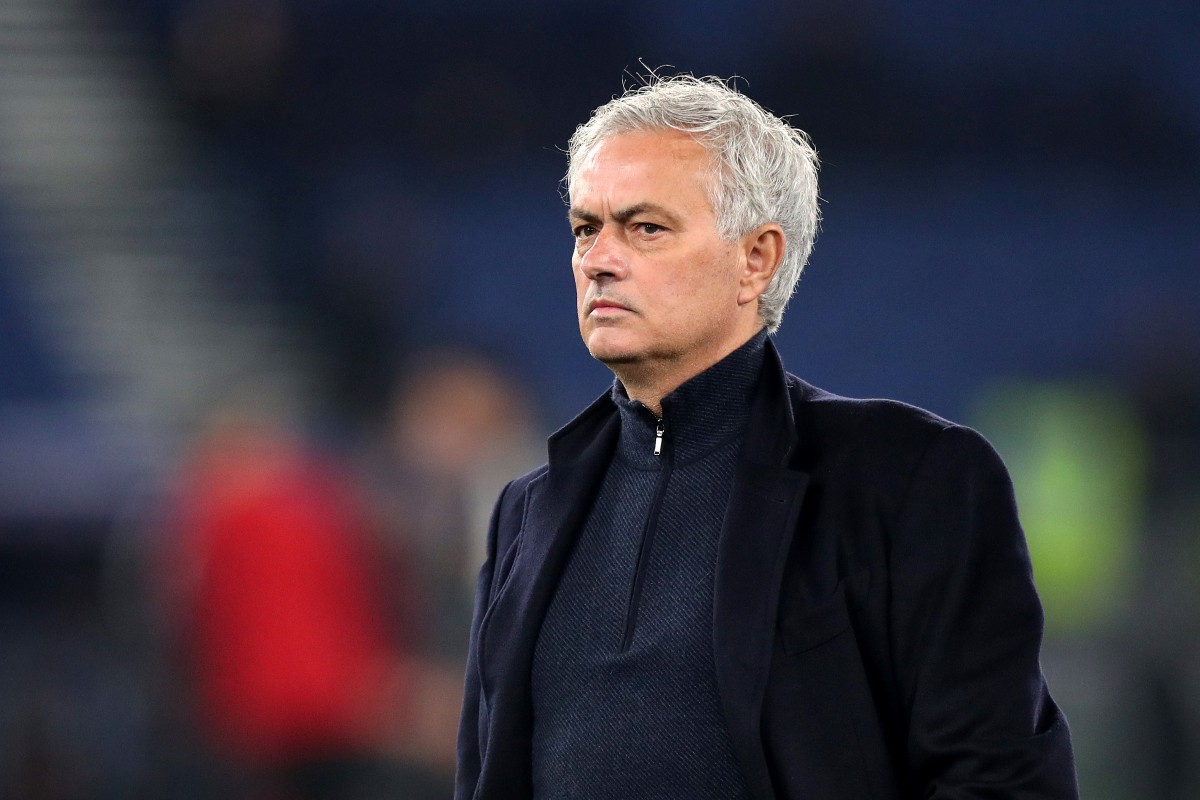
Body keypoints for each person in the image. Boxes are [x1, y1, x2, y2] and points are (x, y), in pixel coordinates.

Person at [455, 74, 1078, 799]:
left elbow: (998, 778)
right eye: (585, 228)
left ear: (757, 259)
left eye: (645, 228)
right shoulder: (527, 511)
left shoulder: (908, 478)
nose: (597, 259)